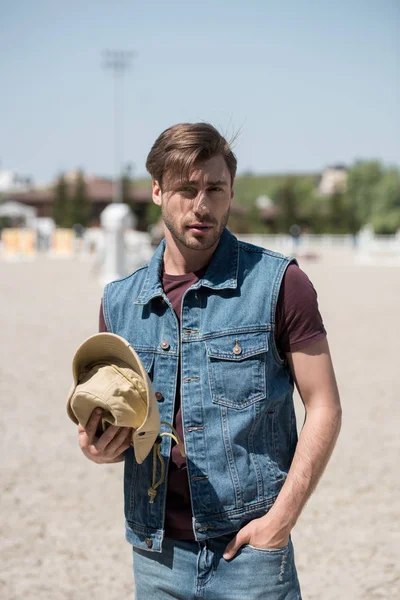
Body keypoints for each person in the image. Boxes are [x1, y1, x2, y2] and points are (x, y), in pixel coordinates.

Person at [77, 123, 342, 599]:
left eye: (214, 189)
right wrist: (99, 447)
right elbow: (116, 420)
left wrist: (279, 522)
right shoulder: (119, 303)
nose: (201, 205)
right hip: (156, 558)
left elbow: (325, 406)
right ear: (157, 190)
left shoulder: (280, 284)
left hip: (252, 557)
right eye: (186, 189)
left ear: (231, 191)